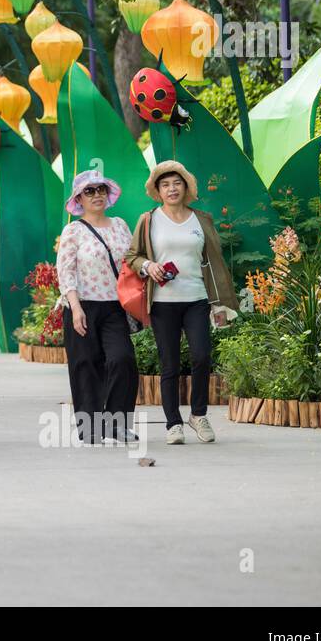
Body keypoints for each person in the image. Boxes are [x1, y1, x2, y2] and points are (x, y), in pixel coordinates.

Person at [124, 160, 238, 446]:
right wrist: (148, 266)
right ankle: (173, 423)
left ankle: (198, 415)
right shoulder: (148, 219)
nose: (171, 189)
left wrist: (220, 305)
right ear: (158, 191)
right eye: (165, 185)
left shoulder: (201, 220)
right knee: (170, 364)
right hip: (163, 302)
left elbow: (215, 262)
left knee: (202, 356)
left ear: (186, 187)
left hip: (197, 299)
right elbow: (131, 256)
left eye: (176, 183)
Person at [56, 170, 139, 445]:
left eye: (101, 189)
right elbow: (65, 271)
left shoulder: (120, 225)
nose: (97, 195)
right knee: (85, 365)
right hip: (82, 306)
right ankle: (89, 426)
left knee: (122, 359)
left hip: (115, 306)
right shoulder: (73, 230)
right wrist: (75, 307)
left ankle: (117, 423)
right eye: (89, 191)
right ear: (79, 198)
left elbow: (131, 263)